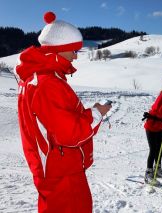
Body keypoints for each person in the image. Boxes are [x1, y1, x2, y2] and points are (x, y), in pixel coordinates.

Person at [16, 11, 111, 213]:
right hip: (61, 170)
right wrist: (97, 112)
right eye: (73, 50)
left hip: (53, 167)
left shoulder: (38, 77)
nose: (76, 56)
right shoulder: (47, 84)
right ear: (60, 49)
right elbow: (71, 134)